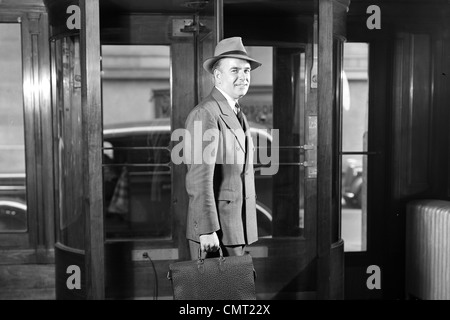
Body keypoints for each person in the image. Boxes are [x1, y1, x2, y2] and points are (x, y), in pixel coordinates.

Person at [185, 37, 262, 259]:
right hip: (216, 231)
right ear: (217, 76)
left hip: (234, 226)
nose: (243, 77)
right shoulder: (206, 113)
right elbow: (199, 179)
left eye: (247, 71)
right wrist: (207, 231)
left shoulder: (236, 112)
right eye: (235, 70)